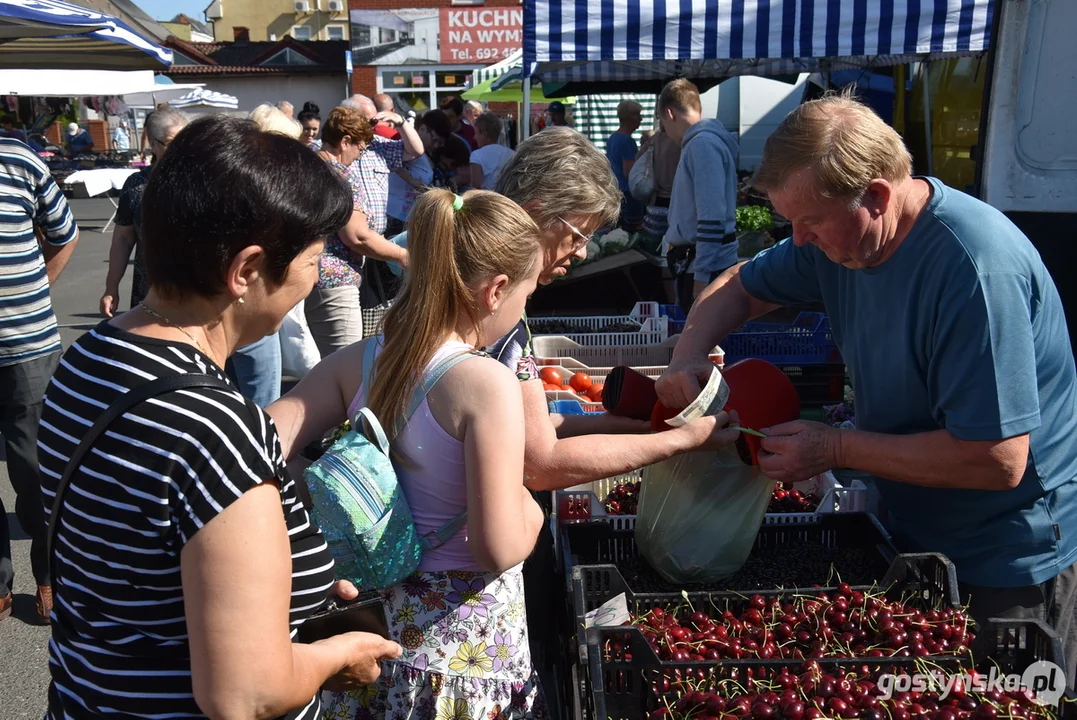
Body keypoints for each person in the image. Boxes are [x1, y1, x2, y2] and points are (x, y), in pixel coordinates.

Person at [654, 94, 1077, 686]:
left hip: (1003, 557)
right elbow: (740, 287)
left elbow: (996, 459)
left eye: (810, 222)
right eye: (789, 222)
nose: (797, 240)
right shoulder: (841, 242)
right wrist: (689, 352)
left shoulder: (975, 270)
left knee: (1001, 693)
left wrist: (834, 449)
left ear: (876, 196)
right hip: (908, 529)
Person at [37, 115, 402, 718]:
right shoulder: (212, 426)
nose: (314, 279)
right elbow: (245, 693)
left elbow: (145, 547)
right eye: (313, 260)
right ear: (247, 271)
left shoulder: (91, 357)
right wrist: (337, 655)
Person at [390, 126, 742, 690]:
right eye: (581, 233)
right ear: (536, 213)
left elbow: (538, 426)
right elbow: (542, 462)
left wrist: (645, 421)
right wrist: (680, 441)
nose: (582, 251)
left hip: (408, 588)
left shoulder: (443, 310)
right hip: (456, 615)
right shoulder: (496, 324)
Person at [269, 189, 549, 718]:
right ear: (497, 291)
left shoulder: (361, 360)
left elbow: (254, 445)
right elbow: (496, 546)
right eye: (527, 296)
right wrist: (531, 510)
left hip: (369, 637)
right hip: (464, 650)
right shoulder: (486, 383)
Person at [0, 137, 79, 623]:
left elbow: (65, 233)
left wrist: (36, 286)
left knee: (37, 470)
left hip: (27, 346)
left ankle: (49, 574)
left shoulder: (19, 159)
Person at [307, 107, 409, 358]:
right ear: (345, 141)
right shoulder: (341, 175)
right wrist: (403, 256)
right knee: (345, 371)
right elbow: (358, 236)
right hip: (335, 283)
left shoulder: (306, 166)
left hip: (307, 277)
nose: (358, 157)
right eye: (360, 149)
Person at [658, 79, 739, 314]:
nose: (667, 133)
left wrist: (700, 279)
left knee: (704, 347)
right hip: (699, 264)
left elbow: (712, 217)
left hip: (705, 267)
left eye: (663, 125)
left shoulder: (701, 145)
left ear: (670, 114)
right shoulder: (703, 142)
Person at [100, 108, 188, 318]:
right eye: (170, 142)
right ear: (152, 142)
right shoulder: (137, 185)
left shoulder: (203, 180)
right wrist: (111, 288)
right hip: (148, 293)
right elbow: (123, 239)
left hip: (196, 293)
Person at [385, 109, 452, 237]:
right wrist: (410, 180)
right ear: (422, 129)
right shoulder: (410, 149)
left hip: (406, 218)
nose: (436, 145)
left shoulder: (425, 154)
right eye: (434, 139)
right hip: (394, 217)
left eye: (440, 143)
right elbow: (392, 161)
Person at [606, 99, 645, 231]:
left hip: (615, 190)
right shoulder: (628, 141)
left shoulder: (613, 137)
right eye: (639, 115)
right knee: (631, 231)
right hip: (628, 194)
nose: (641, 119)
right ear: (630, 118)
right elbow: (629, 172)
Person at [468, 111, 514, 191]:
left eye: (476, 133)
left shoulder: (476, 155)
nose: (474, 137)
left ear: (484, 134)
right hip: (507, 200)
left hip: (486, 200)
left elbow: (475, 187)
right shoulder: (512, 154)